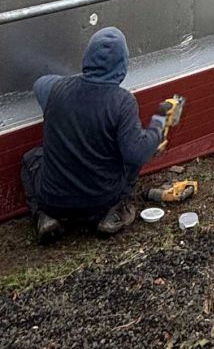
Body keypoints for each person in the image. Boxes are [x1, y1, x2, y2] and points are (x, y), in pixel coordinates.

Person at [20, 26, 170, 242]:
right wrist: (159, 124)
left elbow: (39, 83)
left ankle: (44, 216)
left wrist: (76, 84)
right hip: (101, 202)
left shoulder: (56, 90)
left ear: (86, 59)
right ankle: (116, 212)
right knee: (133, 151)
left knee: (31, 158)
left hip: (54, 201)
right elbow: (137, 154)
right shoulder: (122, 102)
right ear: (122, 65)